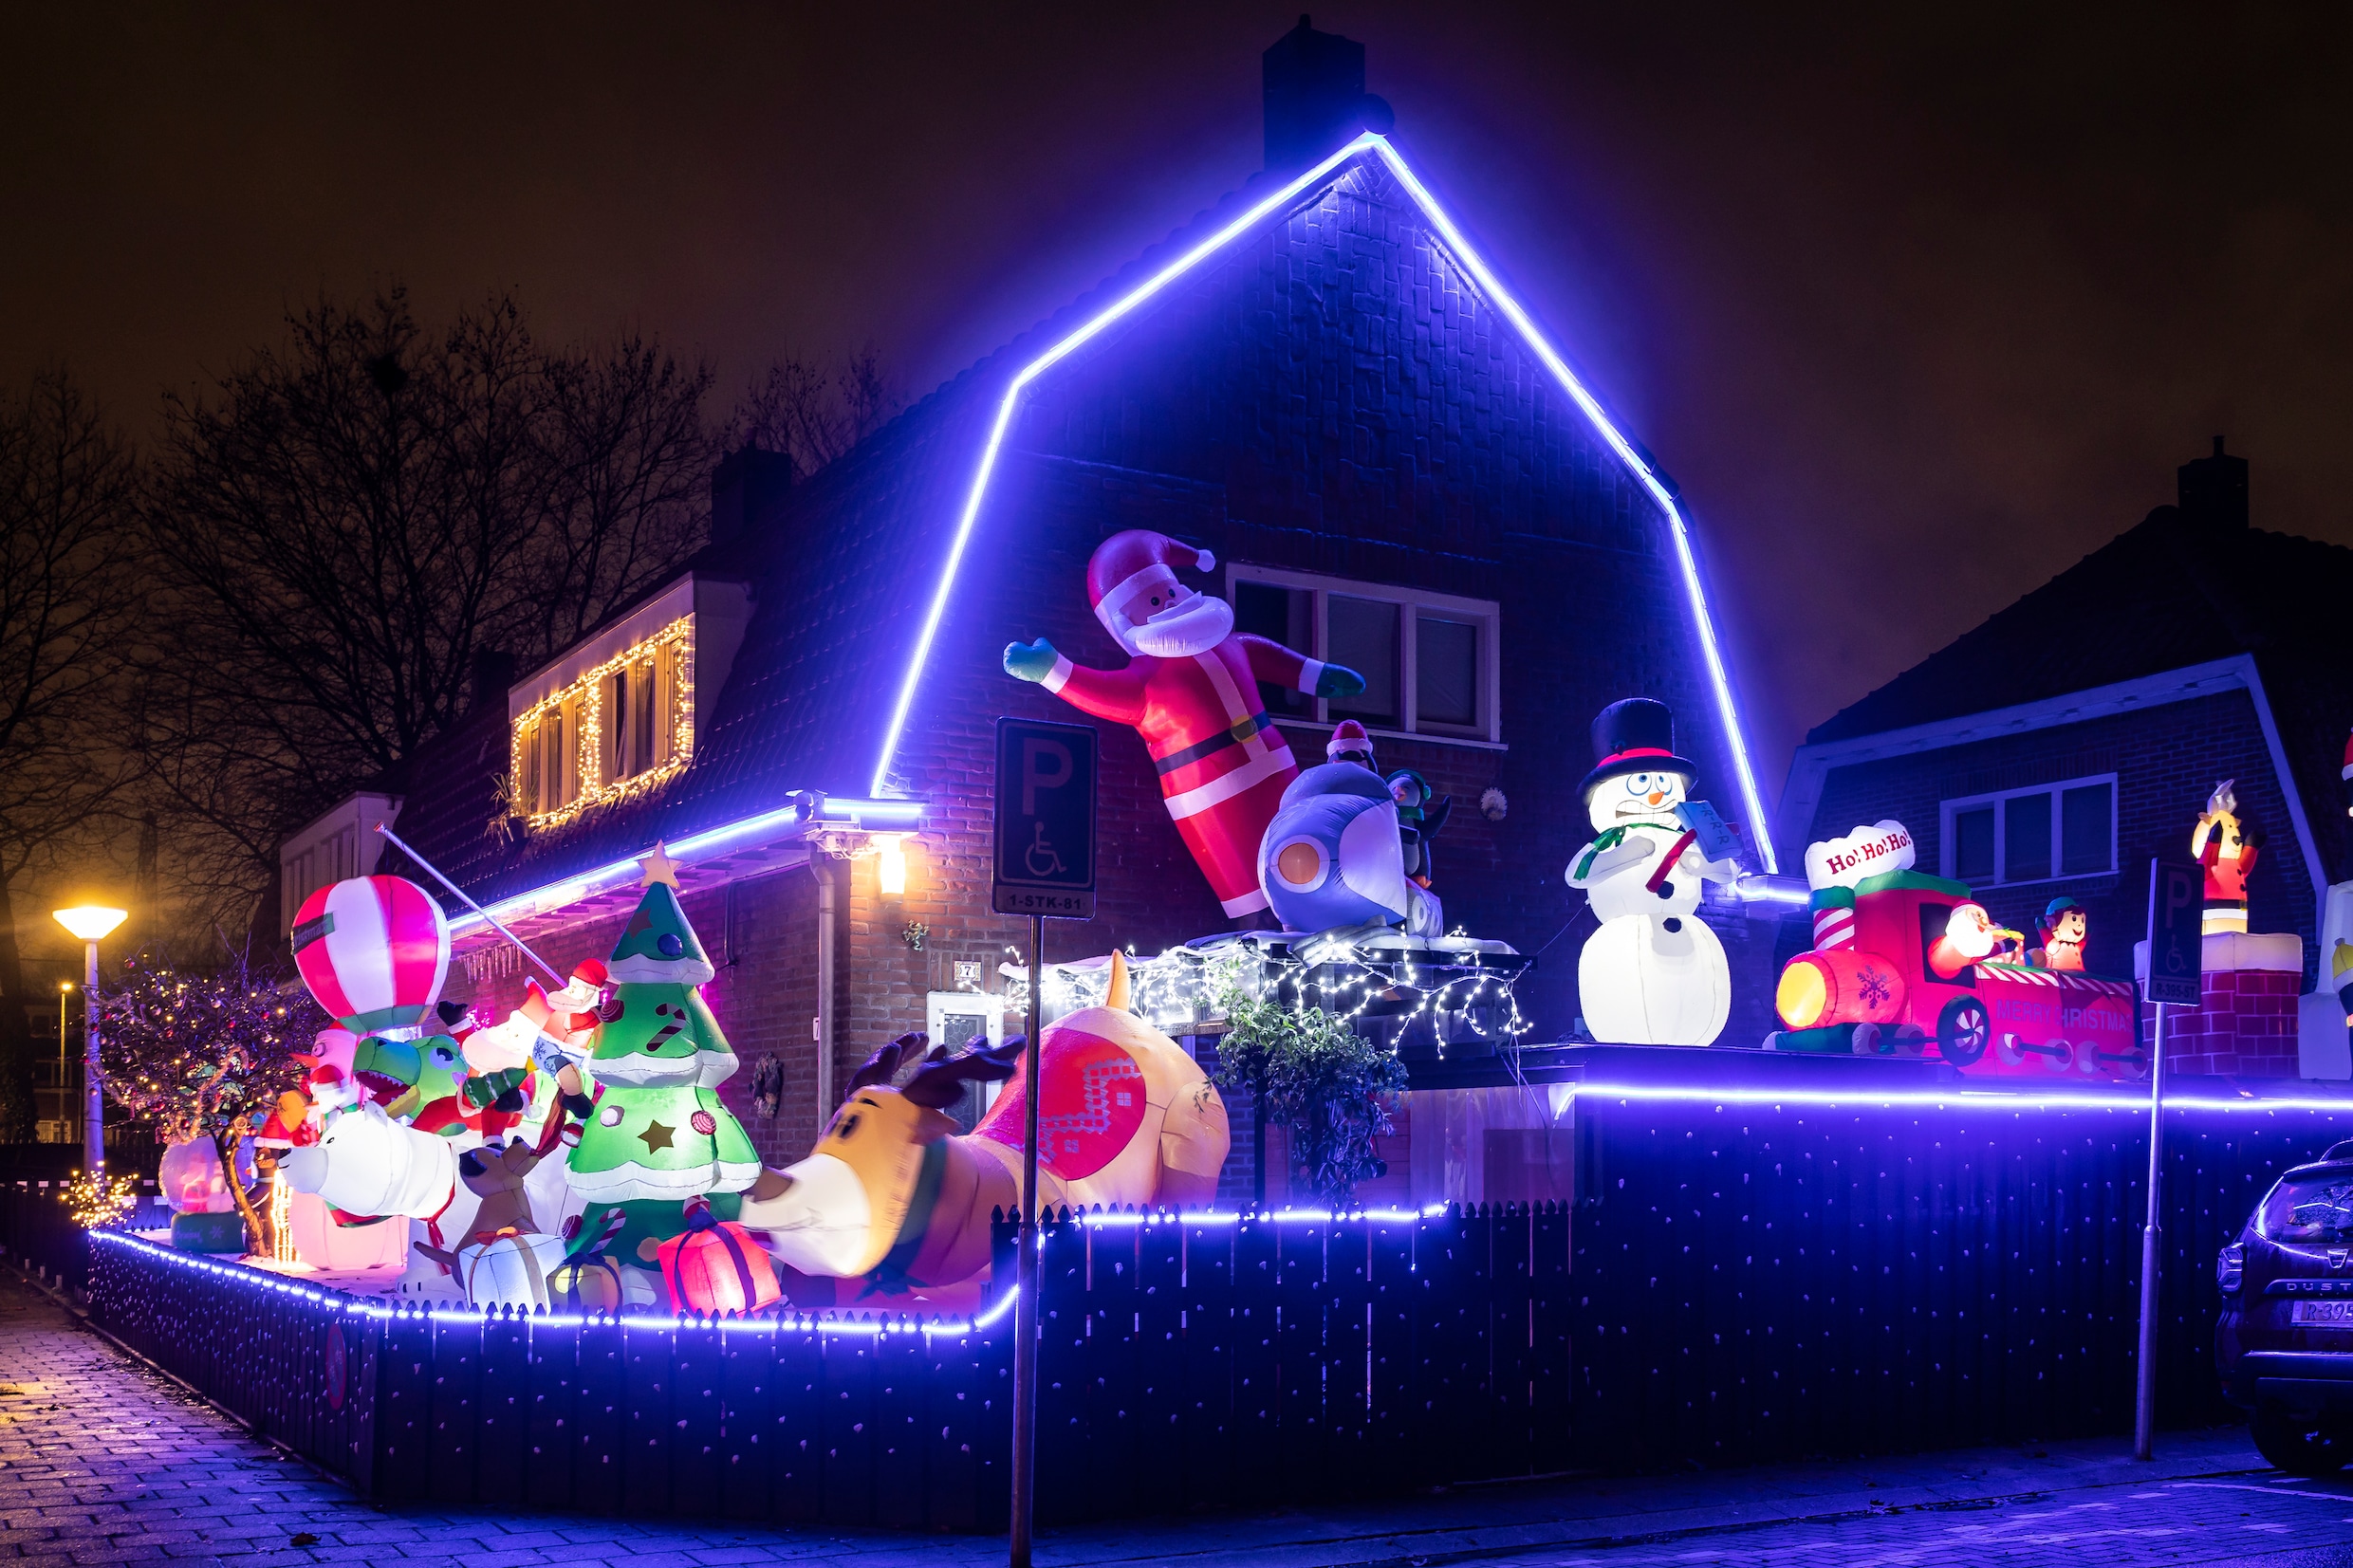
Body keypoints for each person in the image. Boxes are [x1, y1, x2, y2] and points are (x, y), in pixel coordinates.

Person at [2031, 896, 2087, 971]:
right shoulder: (2055, 945)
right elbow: (2046, 936)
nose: (2079, 925)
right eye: (2073, 919)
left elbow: (2082, 944)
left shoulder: (2076, 946)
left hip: (2080, 977)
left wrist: (2087, 935)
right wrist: (2042, 927)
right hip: (2060, 976)